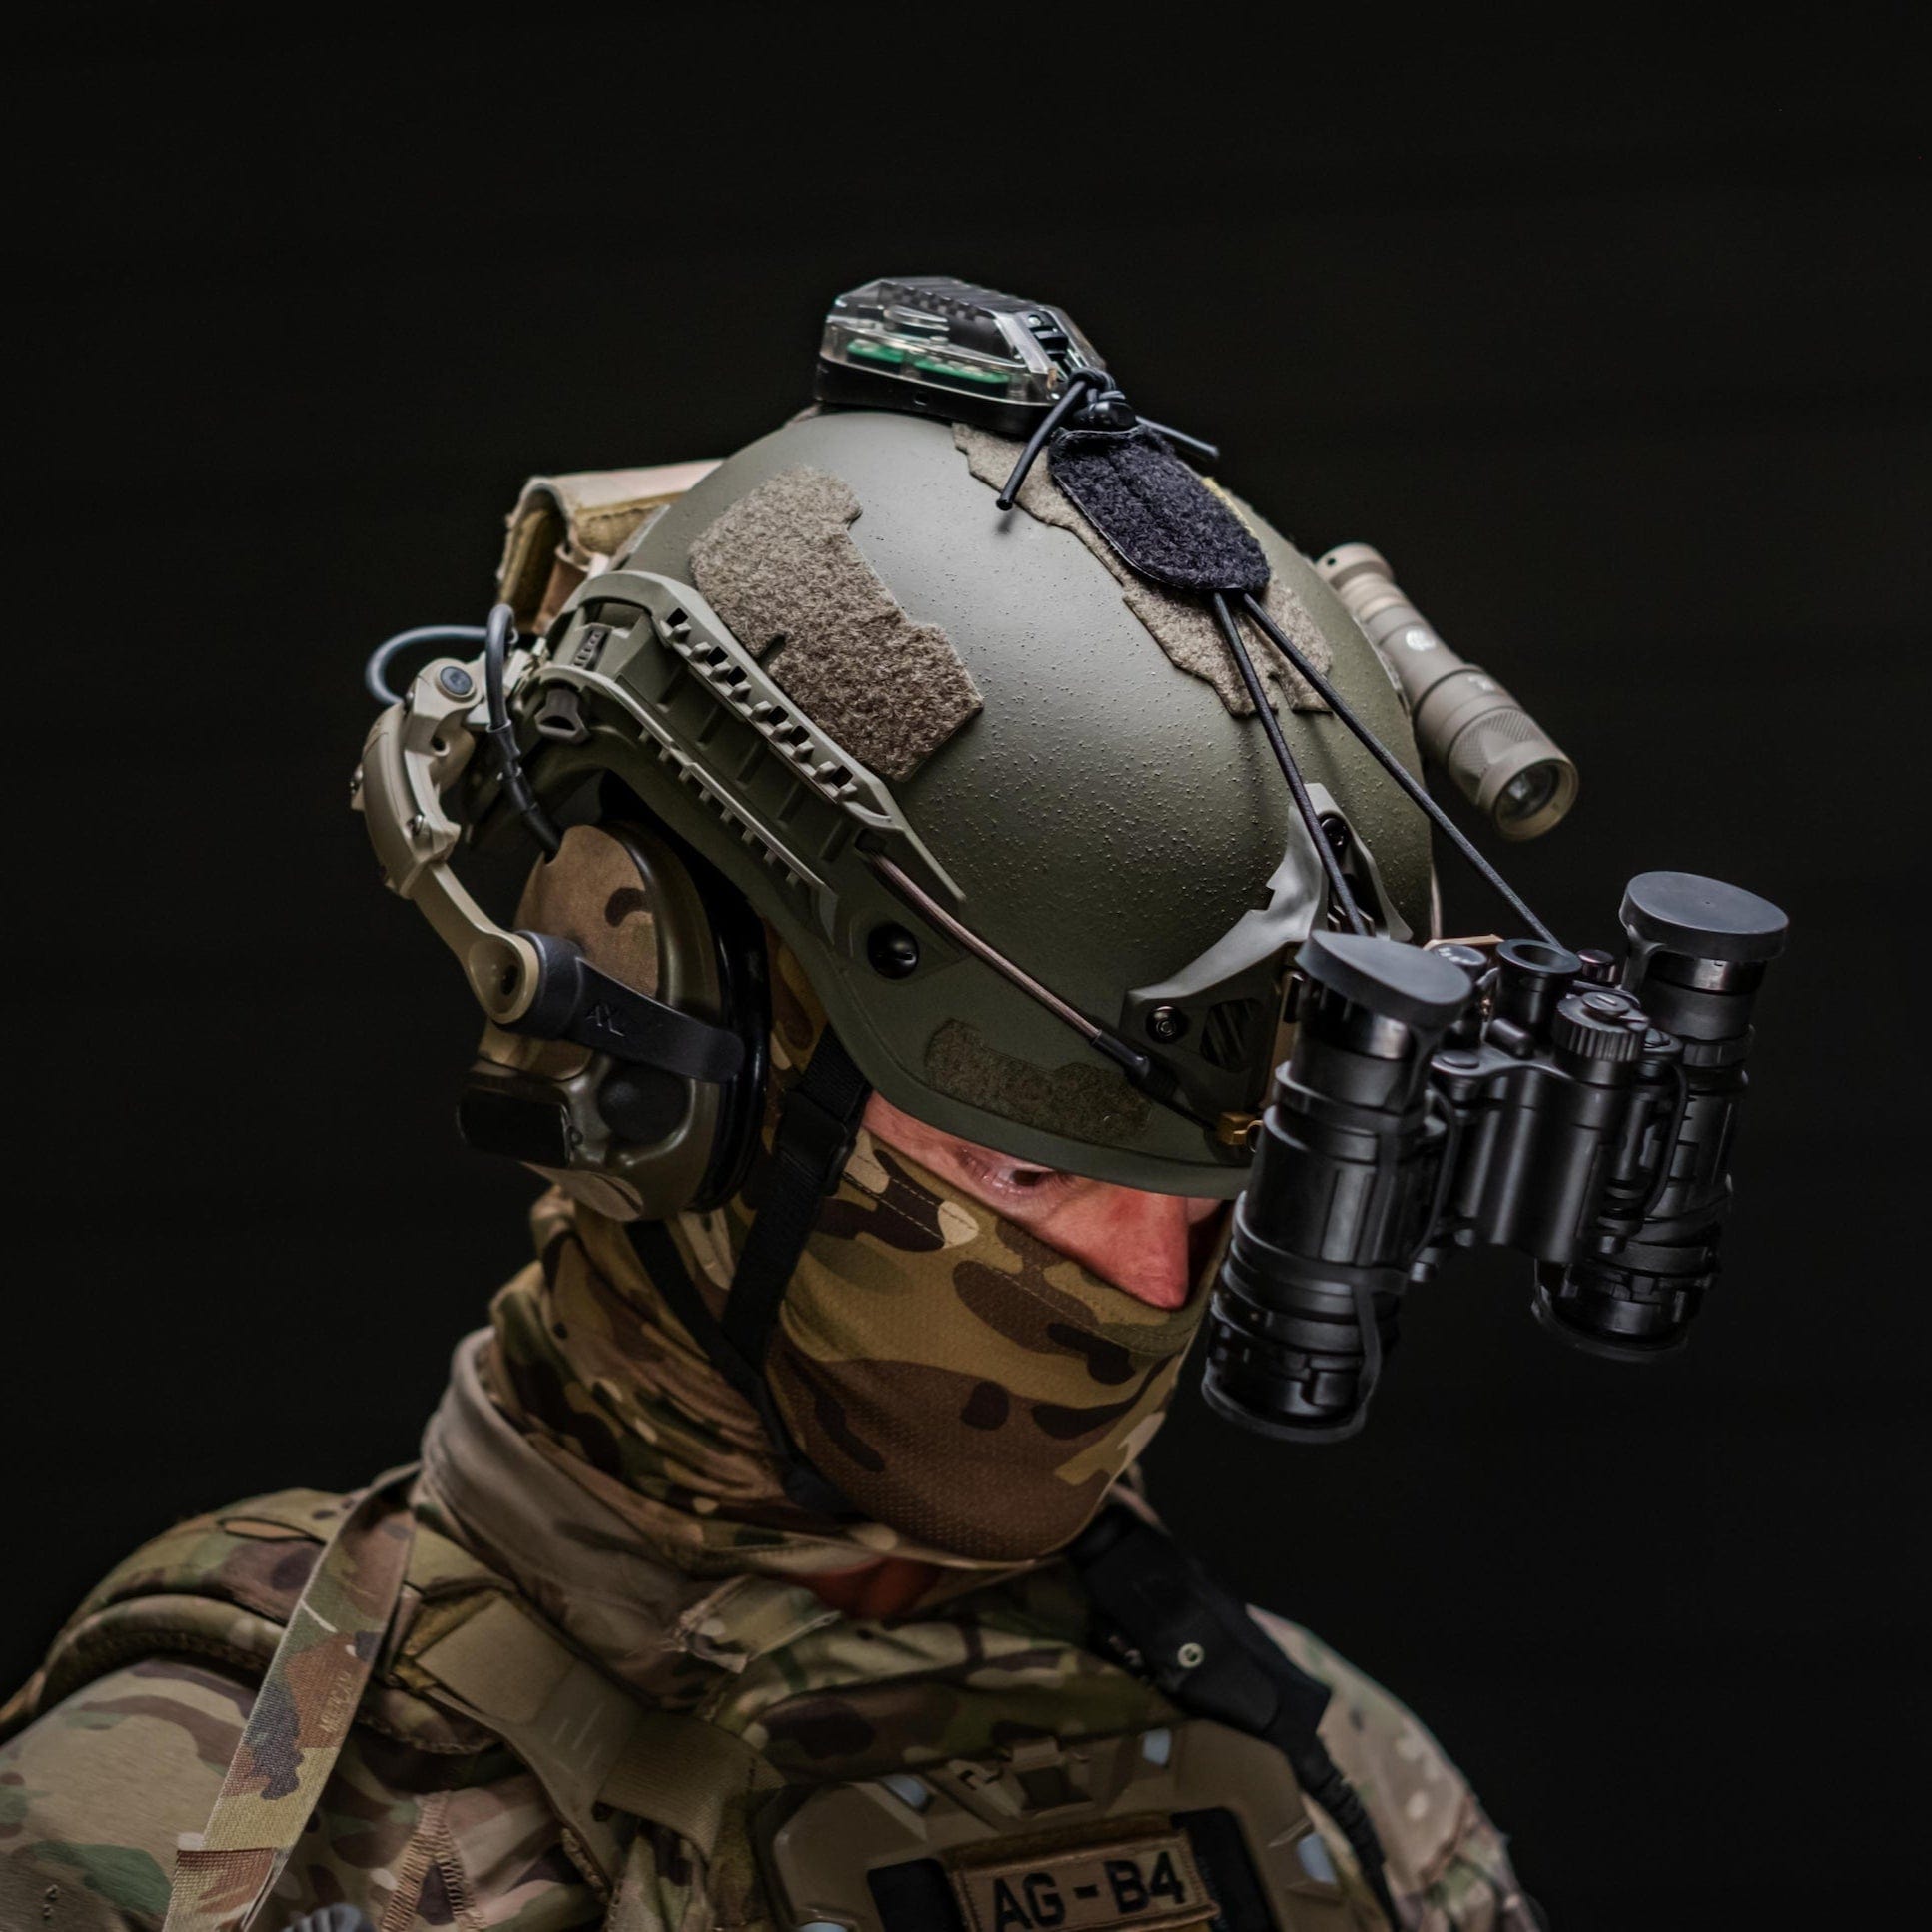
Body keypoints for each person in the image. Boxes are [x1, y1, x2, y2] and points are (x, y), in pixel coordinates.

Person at [1, 280, 1542, 1931]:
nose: (1149, 1277)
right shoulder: (209, 1833)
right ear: (660, 1056)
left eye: (1214, 1178)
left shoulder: (1333, 1787)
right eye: (1020, 1168)